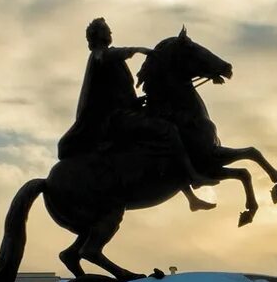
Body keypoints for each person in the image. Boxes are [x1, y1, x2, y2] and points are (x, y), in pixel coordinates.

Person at [57, 18, 217, 210]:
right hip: (116, 119)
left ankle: (190, 198)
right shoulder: (99, 55)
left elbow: (119, 94)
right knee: (167, 130)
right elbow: (105, 57)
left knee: (163, 124)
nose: (110, 34)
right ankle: (193, 175)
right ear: (99, 36)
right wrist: (137, 50)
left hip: (125, 112)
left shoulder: (111, 60)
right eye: (107, 31)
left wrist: (138, 101)